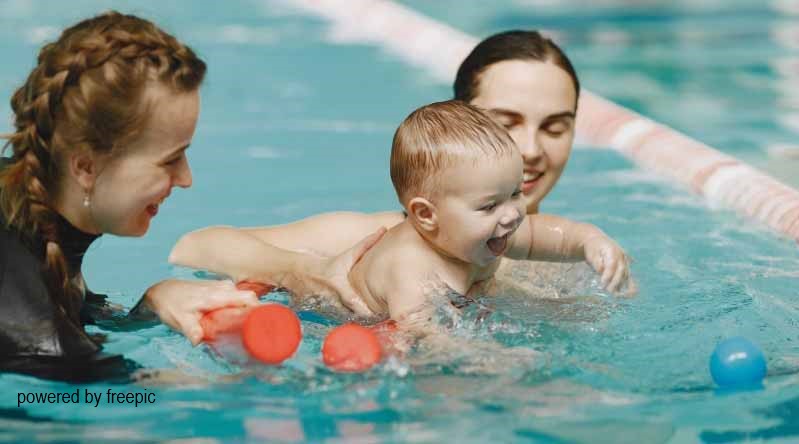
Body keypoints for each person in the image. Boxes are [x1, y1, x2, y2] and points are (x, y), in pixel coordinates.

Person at [0, 11, 381, 382]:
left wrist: (153, 303)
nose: (186, 179)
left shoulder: (27, 218)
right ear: (85, 167)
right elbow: (78, 399)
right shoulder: (37, 336)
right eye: (169, 160)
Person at [169, 30, 633, 297]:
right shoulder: (387, 241)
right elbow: (195, 247)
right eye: (504, 122)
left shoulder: (578, 262)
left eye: (555, 127)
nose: (531, 149)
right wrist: (306, 273)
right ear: (462, 121)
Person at [346, 101, 629, 333]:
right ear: (426, 214)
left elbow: (550, 236)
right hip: (354, 322)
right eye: (488, 206)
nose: (512, 215)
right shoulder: (410, 270)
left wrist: (590, 241)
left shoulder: (487, 232)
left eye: (516, 193)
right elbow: (426, 341)